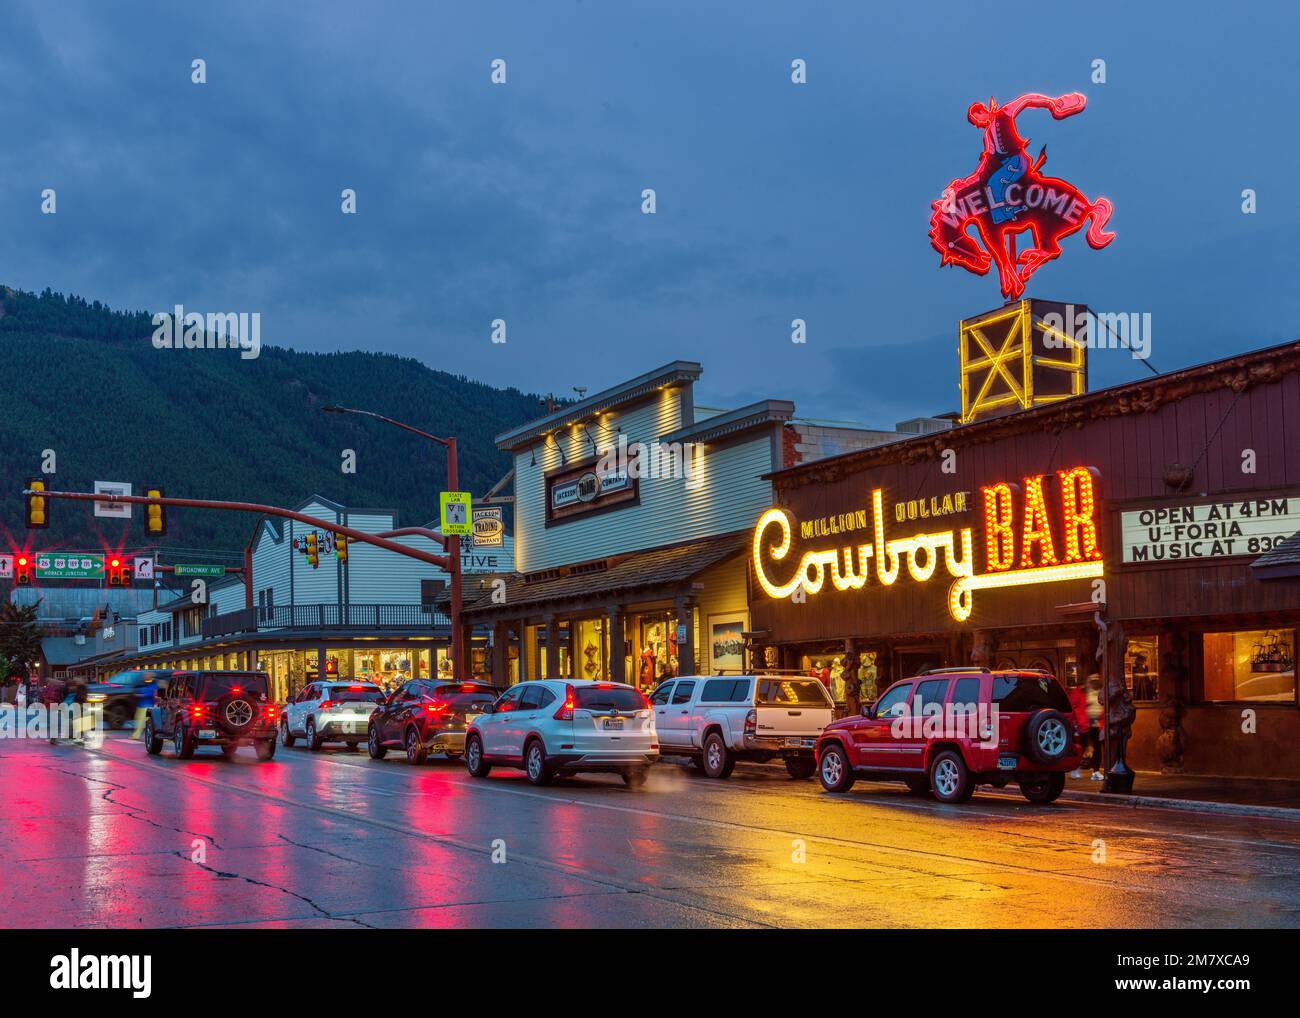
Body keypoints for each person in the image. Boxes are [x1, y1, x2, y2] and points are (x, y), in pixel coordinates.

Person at [1066, 678, 1089, 779]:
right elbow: (1073, 710)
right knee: (1078, 747)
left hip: (1085, 725)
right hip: (1078, 725)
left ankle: (1076, 768)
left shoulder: (1085, 694)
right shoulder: (1076, 694)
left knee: (1082, 747)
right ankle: (1075, 769)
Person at [1084, 673, 1104, 780]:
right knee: (1092, 747)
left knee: (1098, 748)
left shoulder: (1101, 692)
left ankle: (1096, 770)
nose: (1095, 681)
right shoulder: (1087, 693)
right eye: (1093, 679)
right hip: (1089, 725)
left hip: (1099, 724)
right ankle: (1094, 770)